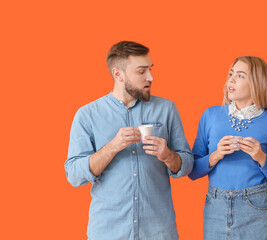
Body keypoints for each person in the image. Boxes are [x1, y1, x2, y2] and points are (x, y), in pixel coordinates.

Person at [65, 41, 193, 240]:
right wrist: (112, 147)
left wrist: (168, 156)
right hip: (108, 232)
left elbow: (187, 165)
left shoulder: (166, 109)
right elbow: (73, 175)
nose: (150, 77)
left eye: (150, 70)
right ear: (118, 74)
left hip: (158, 232)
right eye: (141, 71)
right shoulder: (87, 115)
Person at [189, 56, 267, 240]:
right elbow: (192, 171)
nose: (231, 79)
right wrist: (215, 155)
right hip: (216, 209)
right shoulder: (210, 115)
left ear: (256, 83)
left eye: (240, 75)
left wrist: (262, 158)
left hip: (256, 209)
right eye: (231, 74)